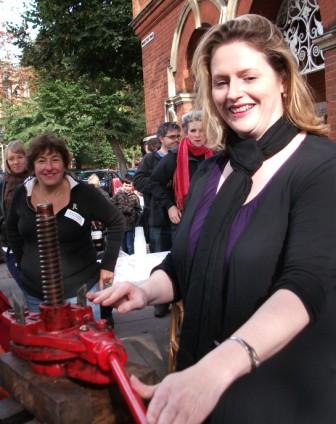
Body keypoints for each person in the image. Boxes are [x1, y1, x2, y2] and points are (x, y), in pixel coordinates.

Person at [87, 14, 336, 424]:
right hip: (197, 389)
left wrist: (216, 369)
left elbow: (305, 286)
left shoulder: (320, 168)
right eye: (221, 82)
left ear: (283, 80)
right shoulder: (212, 171)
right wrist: (146, 291)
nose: (233, 93)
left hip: (280, 401)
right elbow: (185, 265)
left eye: (248, 77)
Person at [6, 133, 124, 315]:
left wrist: (108, 265)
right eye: (41, 161)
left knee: (85, 341)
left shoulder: (83, 193)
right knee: (43, 344)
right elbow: (12, 229)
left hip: (80, 294)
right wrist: (24, 262)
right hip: (34, 295)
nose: (49, 167)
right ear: (32, 166)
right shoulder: (22, 194)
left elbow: (116, 221)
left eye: (55, 160)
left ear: (65, 163)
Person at [134, 122, 181, 318]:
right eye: (172, 137)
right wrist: (159, 181)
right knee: (159, 257)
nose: (176, 140)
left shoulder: (182, 156)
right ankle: (161, 301)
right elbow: (139, 181)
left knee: (180, 257)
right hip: (158, 217)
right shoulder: (150, 159)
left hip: (180, 216)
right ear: (161, 138)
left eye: (178, 136)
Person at [151, 110, 213, 234]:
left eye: (201, 130)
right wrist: (170, 206)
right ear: (186, 133)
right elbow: (154, 183)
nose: (197, 135)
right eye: (193, 130)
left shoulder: (216, 154)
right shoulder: (174, 156)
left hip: (210, 217)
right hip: (184, 219)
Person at [0, 140, 29, 280]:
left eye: (20, 157)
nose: (16, 162)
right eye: (11, 158)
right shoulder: (3, 183)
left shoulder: (36, 178)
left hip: (33, 245)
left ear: (27, 157)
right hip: (11, 246)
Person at [112, 177, 141, 255]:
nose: (127, 188)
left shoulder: (134, 196)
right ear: (122, 186)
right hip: (121, 224)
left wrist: (135, 214)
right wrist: (128, 209)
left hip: (131, 225)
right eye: (125, 186)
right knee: (123, 246)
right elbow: (112, 207)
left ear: (132, 187)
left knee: (130, 246)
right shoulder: (118, 195)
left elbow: (138, 209)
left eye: (129, 186)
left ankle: (132, 261)